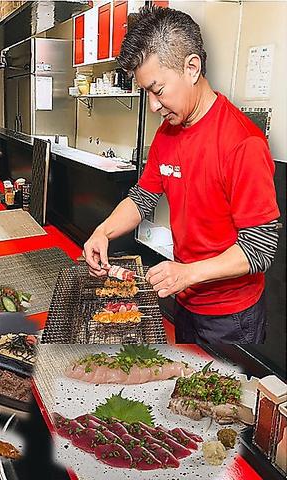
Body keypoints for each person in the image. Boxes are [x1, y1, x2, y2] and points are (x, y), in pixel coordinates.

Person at [83, 5, 280, 344]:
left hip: (232, 316)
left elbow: (260, 249)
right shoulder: (167, 132)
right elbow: (143, 198)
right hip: (186, 299)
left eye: (157, 89)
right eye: (147, 92)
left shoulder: (243, 142)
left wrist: (187, 273)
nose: (154, 105)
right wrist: (103, 232)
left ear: (192, 68)